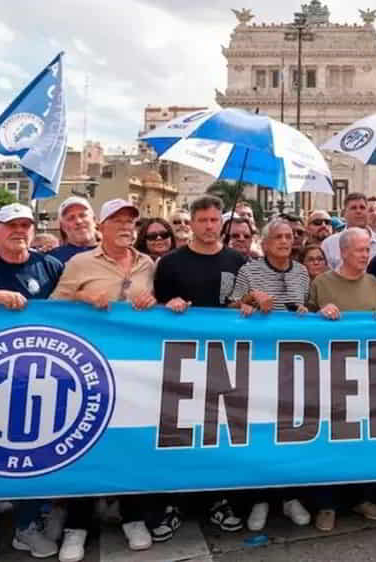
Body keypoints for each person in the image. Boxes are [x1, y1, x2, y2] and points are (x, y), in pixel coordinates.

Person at [50, 199, 163, 559]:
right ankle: (77, 525)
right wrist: (82, 296)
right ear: (102, 226)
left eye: (131, 220)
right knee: (88, 443)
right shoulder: (80, 263)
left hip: (135, 370)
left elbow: (159, 310)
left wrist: (155, 301)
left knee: (131, 443)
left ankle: (132, 517)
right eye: (118, 220)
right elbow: (53, 307)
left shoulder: (148, 263)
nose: (127, 226)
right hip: (89, 370)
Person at [153, 196, 248, 532]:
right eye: (203, 220)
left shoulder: (238, 260)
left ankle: (216, 500)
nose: (209, 226)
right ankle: (173, 501)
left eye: (214, 220)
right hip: (180, 360)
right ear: (190, 224)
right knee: (179, 430)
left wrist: (246, 305)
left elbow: (243, 300)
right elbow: (155, 306)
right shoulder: (170, 263)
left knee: (217, 431)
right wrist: (168, 304)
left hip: (225, 358)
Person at [0, 203, 62, 560]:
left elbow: (72, 309)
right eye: (10, 224)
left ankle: (27, 525)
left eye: (25, 224)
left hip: (38, 379)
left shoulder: (51, 267)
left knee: (35, 451)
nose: (19, 230)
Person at [227, 218, 313, 532]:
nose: (284, 241)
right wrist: (249, 300)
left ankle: (290, 498)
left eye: (289, 236)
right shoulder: (248, 270)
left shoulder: (303, 272)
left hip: (293, 363)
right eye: (277, 237)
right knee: (260, 432)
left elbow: (306, 306)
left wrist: (305, 312)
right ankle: (260, 500)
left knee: (291, 432)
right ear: (264, 244)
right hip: (257, 363)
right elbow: (227, 303)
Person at [307, 227, 376, 530]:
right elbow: (300, 320)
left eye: (368, 250)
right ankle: (326, 505)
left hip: (367, 375)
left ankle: (363, 498)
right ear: (343, 252)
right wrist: (319, 314)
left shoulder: (373, 282)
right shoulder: (321, 283)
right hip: (330, 375)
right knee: (329, 441)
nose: (365, 255)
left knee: (365, 440)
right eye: (359, 250)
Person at [321, 193, 376, 270]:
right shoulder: (329, 244)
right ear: (344, 213)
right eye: (353, 208)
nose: (358, 211)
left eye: (362, 208)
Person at [49, 196, 98, 264]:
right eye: (70, 218)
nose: (78, 221)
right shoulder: (52, 259)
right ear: (63, 227)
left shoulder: (112, 252)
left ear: (94, 220)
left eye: (82, 215)